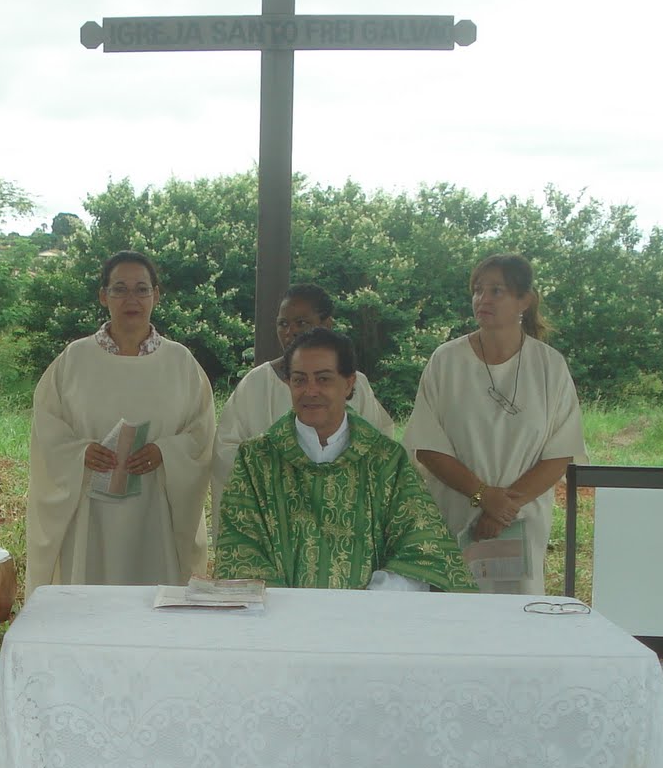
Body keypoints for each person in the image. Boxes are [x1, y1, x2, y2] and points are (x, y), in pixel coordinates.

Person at [216, 328, 470, 591]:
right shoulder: (256, 460)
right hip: (280, 612)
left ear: (349, 383)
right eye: (299, 380)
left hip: (369, 612)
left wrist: (370, 600)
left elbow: (423, 547)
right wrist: (289, 606)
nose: (310, 391)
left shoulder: (385, 461)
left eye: (323, 379)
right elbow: (240, 549)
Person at [25, 250, 214, 596]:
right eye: (120, 289)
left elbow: (201, 433)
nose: (132, 299)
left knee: (154, 600)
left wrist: (165, 452)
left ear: (156, 295)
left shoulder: (180, 363)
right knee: (91, 598)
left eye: (141, 289)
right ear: (103, 296)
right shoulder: (75, 360)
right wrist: (80, 453)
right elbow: (47, 429)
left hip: (156, 508)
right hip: (90, 509)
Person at [403, 253, 586, 595]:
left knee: (517, 613)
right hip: (456, 518)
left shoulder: (549, 366)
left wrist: (502, 508)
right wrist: (483, 495)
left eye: (496, 291)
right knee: (452, 611)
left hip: (520, 523)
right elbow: (427, 446)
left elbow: (560, 453)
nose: (482, 299)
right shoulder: (446, 361)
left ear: (524, 300)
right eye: (477, 290)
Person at [211, 282, 393, 541]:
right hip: (272, 523)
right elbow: (226, 450)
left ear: (327, 324)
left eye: (301, 323)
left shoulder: (355, 384)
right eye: (283, 324)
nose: (290, 332)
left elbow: (378, 447)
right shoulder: (256, 384)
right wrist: (278, 478)